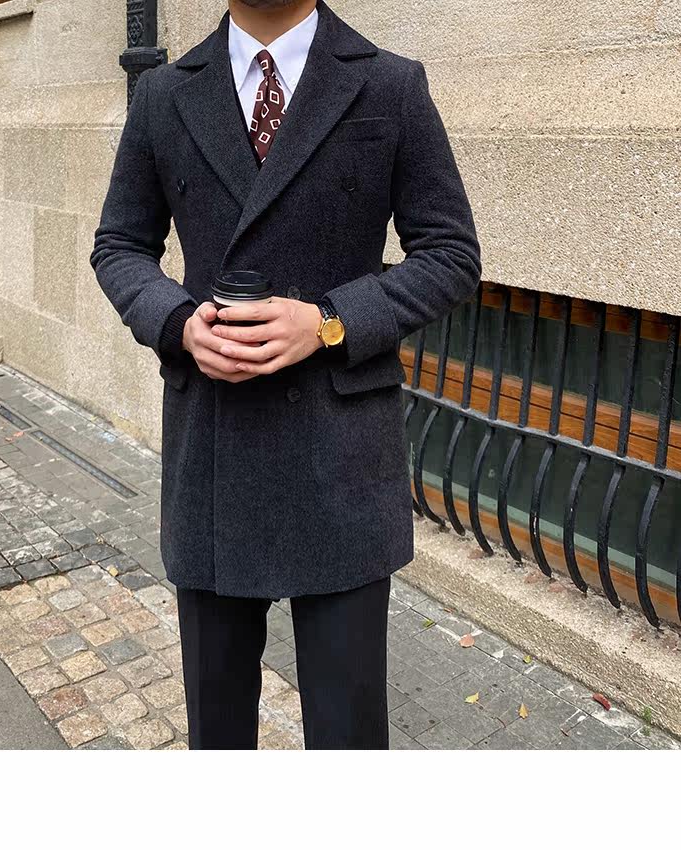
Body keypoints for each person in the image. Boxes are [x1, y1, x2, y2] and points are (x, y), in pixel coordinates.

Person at [90, 0, 481, 749]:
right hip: (213, 454)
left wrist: (329, 321)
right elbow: (119, 245)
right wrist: (178, 324)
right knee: (218, 738)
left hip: (341, 462)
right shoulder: (166, 94)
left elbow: (450, 254)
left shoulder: (390, 84)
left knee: (346, 741)